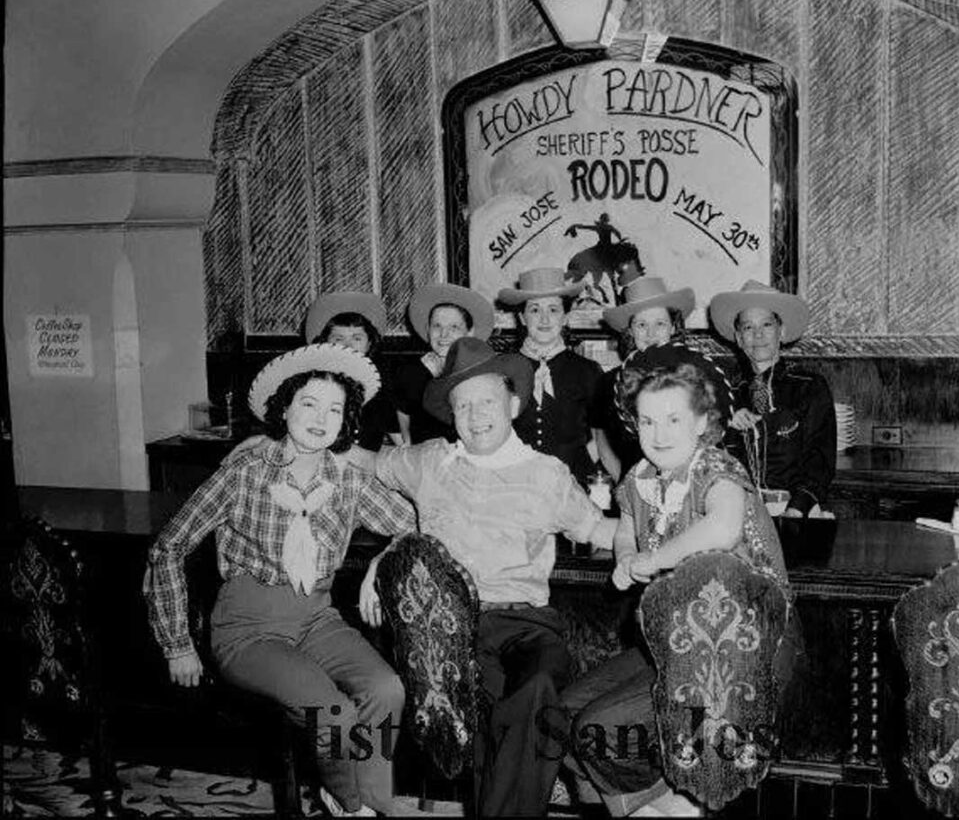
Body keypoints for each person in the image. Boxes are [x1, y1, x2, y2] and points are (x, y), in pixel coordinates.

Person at [143, 344, 418, 817]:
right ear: (284, 408)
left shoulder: (349, 479)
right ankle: (349, 803)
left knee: (386, 687)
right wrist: (177, 644)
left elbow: (411, 525)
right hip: (247, 629)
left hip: (317, 618)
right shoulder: (244, 473)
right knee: (333, 713)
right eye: (309, 403)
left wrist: (380, 564)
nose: (321, 419)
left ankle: (372, 801)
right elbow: (168, 547)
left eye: (335, 409)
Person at [358, 337, 617, 817]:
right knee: (491, 708)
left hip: (528, 626)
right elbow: (365, 462)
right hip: (453, 630)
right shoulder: (430, 461)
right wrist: (279, 443)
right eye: (463, 405)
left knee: (538, 687)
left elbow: (601, 530)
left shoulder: (546, 473)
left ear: (513, 406)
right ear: (451, 414)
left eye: (487, 402)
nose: (476, 416)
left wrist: (674, 538)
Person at [561, 358, 791, 818]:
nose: (659, 433)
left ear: (702, 423)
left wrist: (652, 559)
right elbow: (625, 529)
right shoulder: (640, 477)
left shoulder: (715, 466)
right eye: (647, 421)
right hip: (676, 642)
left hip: (748, 647)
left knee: (599, 729)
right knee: (562, 714)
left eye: (673, 419)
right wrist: (626, 556)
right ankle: (669, 806)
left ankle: (681, 804)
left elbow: (723, 527)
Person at [708, 280, 836, 519]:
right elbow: (710, 461)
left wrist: (796, 510)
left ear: (782, 331)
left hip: (798, 511)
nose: (758, 335)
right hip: (740, 512)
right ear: (738, 337)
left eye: (767, 324)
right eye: (748, 327)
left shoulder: (809, 387)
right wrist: (724, 424)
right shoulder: (726, 395)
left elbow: (819, 460)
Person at [497, 266, 605, 489]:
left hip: (573, 484)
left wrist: (577, 466)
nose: (544, 319)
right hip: (515, 486)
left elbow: (602, 436)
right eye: (535, 310)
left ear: (565, 317)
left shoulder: (588, 371)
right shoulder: (501, 369)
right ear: (522, 317)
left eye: (553, 310)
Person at [597, 273, 696, 479]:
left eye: (660, 323)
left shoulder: (696, 378)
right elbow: (602, 444)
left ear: (673, 327)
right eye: (642, 325)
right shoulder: (609, 383)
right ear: (630, 331)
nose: (651, 334)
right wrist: (626, 484)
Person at [394, 282, 494, 445]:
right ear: (428, 330)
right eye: (437, 326)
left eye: (454, 327)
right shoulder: (410, 372)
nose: (443, 334)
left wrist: (441, 379)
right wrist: (407, 443)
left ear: (469, 333)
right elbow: (403, 412)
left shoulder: (483, 372)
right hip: (424, 456)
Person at [306, 291, 402, 451]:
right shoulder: (311, 381)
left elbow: (395, 431)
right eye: (339, 339)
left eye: (357, 338)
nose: (348, 346)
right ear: (325, 343)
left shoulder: (380, 383)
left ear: (369, 344)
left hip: (366, 460)